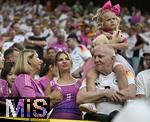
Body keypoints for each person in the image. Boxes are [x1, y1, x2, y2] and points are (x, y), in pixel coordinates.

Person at [79, 0, 134, 113]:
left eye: (114, 19)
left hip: (116, 58)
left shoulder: (118, 33)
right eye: (108, 20)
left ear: (117, 20)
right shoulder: (100, 34)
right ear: (102, 23)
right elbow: (94, 49)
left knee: (120, 69)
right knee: (90, 75)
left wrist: (109, 45)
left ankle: (126, 99)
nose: (112, 21)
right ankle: (91, 103)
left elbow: (125, 45)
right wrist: (107, 45)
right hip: (99, 60)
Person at [77, 45, 136, 122]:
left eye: (100, 56)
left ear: (112, 59)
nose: (96, 60)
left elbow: (130, 94)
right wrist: (105, 93)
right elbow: (80, 98)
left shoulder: (126, 73)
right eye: (95, 57)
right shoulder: (90, 76)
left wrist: (95, 97)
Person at [12, 49, 62, 117]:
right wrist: (51, 96)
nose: (41, 61)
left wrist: (53, 102)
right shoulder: (24, 78)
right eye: (37, 57)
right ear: (29, 60)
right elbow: (31, 105)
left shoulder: (32, 80)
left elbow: (40, 111)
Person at [47, 51, 82, 120]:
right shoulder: (51, 84)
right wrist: (51, 99)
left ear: (71, 63)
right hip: (56, 118)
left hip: (76, 118)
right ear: (56, 65)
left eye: (67, 59)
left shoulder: (80, 83)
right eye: (60, 60)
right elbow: (43, 109)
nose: (64, 61)